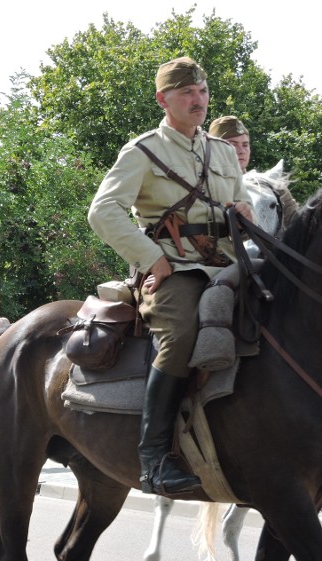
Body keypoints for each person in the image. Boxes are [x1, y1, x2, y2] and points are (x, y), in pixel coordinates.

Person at [87, 56, 253, 497]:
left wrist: (244, 212)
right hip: (175, 268)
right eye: (187, 94)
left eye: (202, 92)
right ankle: (155, 459)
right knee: (179, 335)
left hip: (228, 261)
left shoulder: (221, 151)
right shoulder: (142, 151)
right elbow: (102, 211)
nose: (198, 101)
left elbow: (236, 203)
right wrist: (150, 257)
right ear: (164, 100)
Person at [208, 115, 300, 229]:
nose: (241, 151)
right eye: (232, 144)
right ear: (215, 148)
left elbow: (299, 227)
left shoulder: (269, 185)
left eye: (245, 145)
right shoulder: (203, 184)